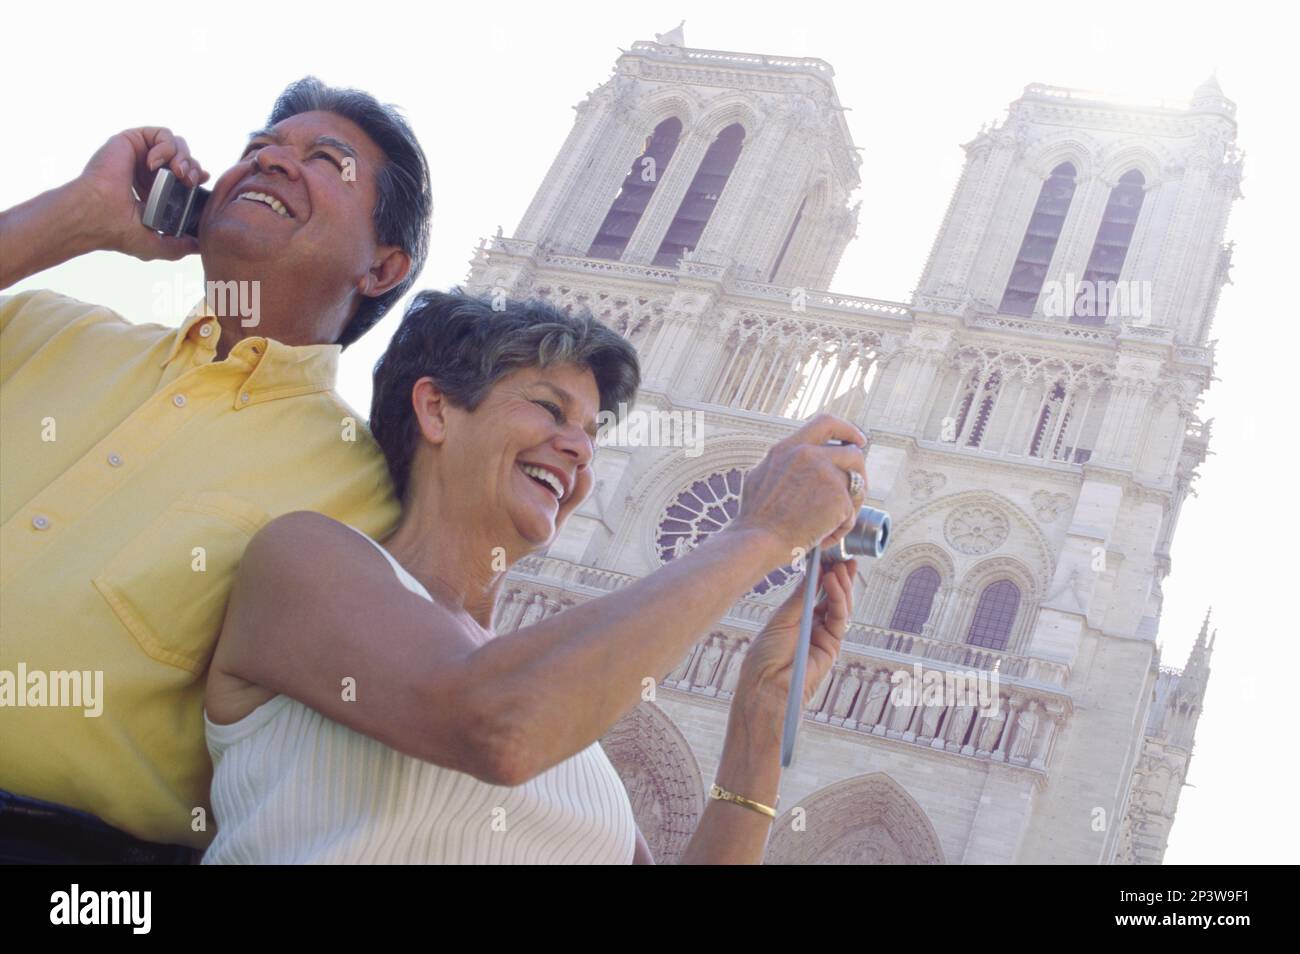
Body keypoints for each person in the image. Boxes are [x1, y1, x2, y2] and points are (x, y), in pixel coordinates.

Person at [202, 289, 870, 864]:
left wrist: (762, 706)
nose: (580, 448)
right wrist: (760, 534)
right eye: (549, 410)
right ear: (435, 410)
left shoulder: (575, 743)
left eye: (590, 431)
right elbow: (496, 725)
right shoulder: (304, 560)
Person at [0, 77, 433, 863]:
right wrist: (81, 214)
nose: (271, 164)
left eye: (324, 161)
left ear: (384, 267)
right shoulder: (41, 326)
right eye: (258, 151)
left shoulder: (370, 500)